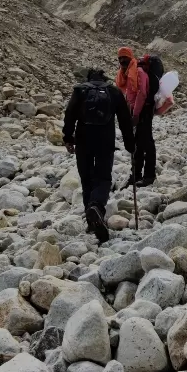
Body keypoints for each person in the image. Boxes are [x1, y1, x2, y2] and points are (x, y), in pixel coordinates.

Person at [63, 68, 134, 243]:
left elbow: (70, 114)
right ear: (104, 79)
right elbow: (125, 119)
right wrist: (130, 143)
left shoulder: (80, 90)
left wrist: (67, 137)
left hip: (83, 139)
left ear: (89, 78)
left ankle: (91, 218)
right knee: (103, 178)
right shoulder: (114, 91)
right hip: (105, 139)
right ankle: (96, 207)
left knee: (86, 178)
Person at [116, 46, 155, 187]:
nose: (122, 60)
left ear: (130, 57)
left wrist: (136, 114)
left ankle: (149, 176)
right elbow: (128, 95)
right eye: (120, 58)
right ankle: (136, 175)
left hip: (144, 111)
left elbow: (142, 93)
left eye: (124, 57)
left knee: (147, 142)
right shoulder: (125, 74)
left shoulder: (138, 72)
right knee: (137, 144)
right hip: (135, 112)